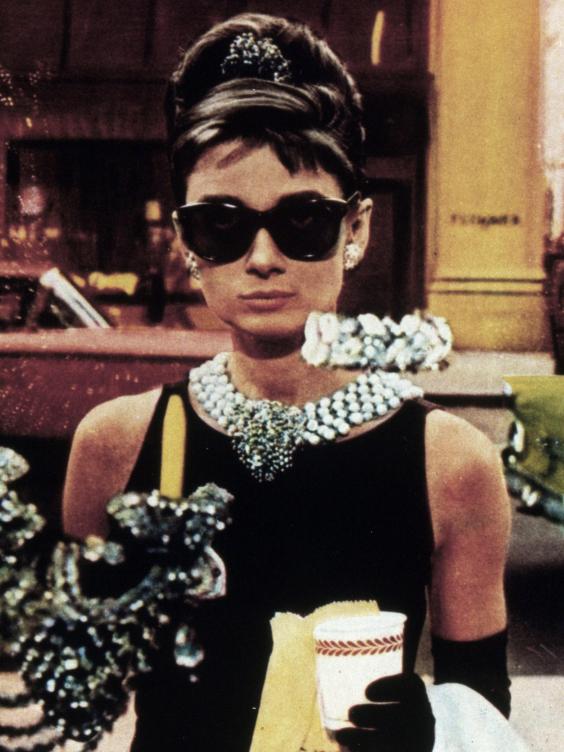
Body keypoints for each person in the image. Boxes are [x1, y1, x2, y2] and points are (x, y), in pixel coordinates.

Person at [62, 13, 512, 752]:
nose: (263, 257)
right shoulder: (115, 444)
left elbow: (485, 713)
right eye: (222, 223)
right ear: (185, 242)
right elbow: (80, 692)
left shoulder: (451, 462)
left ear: (355, 229)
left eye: (303, 220)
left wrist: (431, 728)